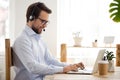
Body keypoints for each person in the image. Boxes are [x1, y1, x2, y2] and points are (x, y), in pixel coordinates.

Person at [13, 2, 85, 80]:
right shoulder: (22, 40)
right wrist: (63, 69)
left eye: (46, 22)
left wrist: (70, 66)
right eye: (43, 21)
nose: (45, 25)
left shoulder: (39, 40)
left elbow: (51, 60)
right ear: (31, 18)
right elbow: (33, 67)